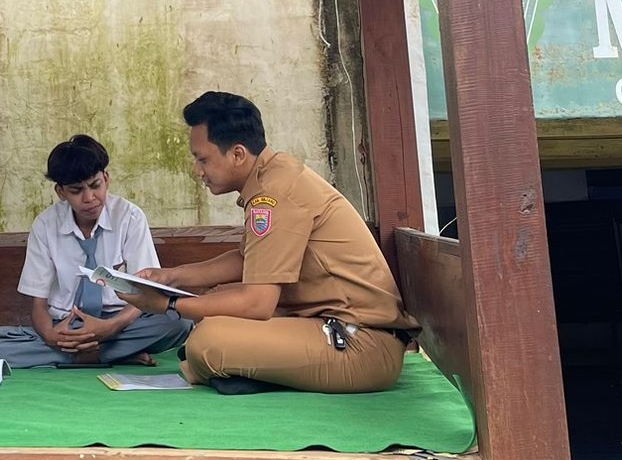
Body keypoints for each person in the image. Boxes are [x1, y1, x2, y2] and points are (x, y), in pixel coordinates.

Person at [118, 90, 419, 395]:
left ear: (238, 154)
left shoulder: (274, 195)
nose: (197, 171)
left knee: (207, 342)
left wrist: (168, 305)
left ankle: (227, 368)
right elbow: (247, 259)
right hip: (339, 330)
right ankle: (241, 370)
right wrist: (169, 277)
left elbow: (257, 303)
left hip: (359, 344)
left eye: (202, 159)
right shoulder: (274, 176)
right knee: (216, 304)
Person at [0, 134, 190, 367]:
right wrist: (51, 336)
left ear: (106, 179)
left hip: (119, 323)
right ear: (61, 192)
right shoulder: (46, 225)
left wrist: (110, 327)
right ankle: (112, 355)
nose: (89, 198)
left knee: (179, 323)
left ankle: (82, 356)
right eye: (76, 190)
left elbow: (147, 294)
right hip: (67, 324)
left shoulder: (129, 217)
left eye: (95, 185)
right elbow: (38, 304)